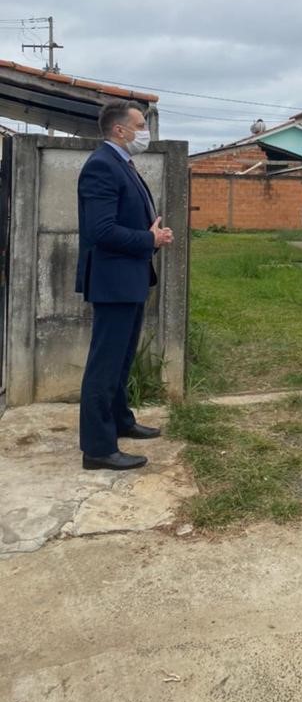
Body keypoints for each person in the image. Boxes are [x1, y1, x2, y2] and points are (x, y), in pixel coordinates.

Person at [76, 100, 174, 471]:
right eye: (140, 124)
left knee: (120, 359)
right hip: (113, 280)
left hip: (129, 278)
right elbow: (100, 231)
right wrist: (149, 240)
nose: (144, 131)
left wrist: (152, 236)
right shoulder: (102, 166)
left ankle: (120, 420)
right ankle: (98, 448)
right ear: (120, 130)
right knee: (104, 365)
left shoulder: (122, 164)